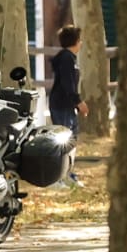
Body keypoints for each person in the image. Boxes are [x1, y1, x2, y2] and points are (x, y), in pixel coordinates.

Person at [49, 24, 88, 185]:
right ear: (76, 41)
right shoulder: (66, 58)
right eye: (80, 40)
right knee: (62, 141)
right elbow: (67, 84)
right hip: (61, 105)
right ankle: (56, 178)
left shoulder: (70, 58)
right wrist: (79, 102)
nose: (81, 43)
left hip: (67, 106)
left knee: (71, 140)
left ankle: (68, 173)